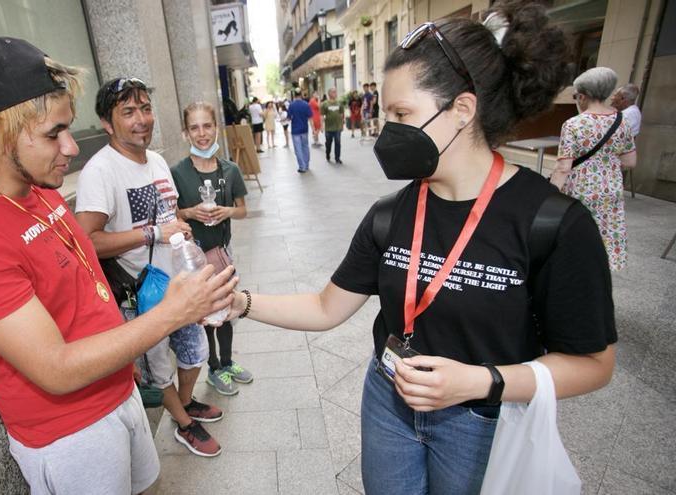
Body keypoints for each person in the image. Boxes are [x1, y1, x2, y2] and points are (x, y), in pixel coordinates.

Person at [226, 3, 616, 493]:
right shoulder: (391, 214)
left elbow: (594, 365)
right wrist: (241, 303)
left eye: (402, 114)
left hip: (480, 421)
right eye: (386, 114)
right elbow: (327, 306)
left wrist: (479, 382)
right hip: (387, 401)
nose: (388, 131)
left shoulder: (555, 224)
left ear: (462, 110)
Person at [0, 38, 236, 494]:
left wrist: (126, 365)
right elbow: (55, 367)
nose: (71, 148)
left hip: (119, 391)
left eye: (69, 128)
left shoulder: (41, 190)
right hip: (71, 434)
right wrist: (175, 311)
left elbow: (86, 287)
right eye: (53, 133)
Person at [75, 77, 229, 458]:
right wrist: (153, 233)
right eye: (128, 112)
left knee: (194, 355)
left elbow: (169, 213)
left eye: (145, 108)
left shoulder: (157, 160)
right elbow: (87, 240)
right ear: (107, 123)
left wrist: (183, 227)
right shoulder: (101, 171)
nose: (141, 119)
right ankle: (184, 424)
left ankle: (187, 401)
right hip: (140, 294)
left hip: (178, 283)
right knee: (159, 370)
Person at [171, 101, 254, 396]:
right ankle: (214, 368)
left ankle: (229, 362)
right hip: (194, 259)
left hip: (221, 253)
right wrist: (190, 213)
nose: (202, 133)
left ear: (215, 127)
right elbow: (172, 215)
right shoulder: (178, 173)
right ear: (185, 133)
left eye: (207, 125)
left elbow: (243, 210)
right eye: (194, 127)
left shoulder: (230, 170)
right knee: (206, 314)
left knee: (228, 308)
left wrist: (226, 212)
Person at [550, 67, 636, 271]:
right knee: (603, 235)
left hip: (580, 189)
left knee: (575, 233)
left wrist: (550, 194)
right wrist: (605, 162)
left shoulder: (573, 124)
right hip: (611, 189)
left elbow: (564, 167)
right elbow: (631, 161)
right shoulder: (622, 121)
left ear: (582, 96)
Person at [287, 93, 312, 173]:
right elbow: (310, 116)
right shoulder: (306, 104)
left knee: (298, 149)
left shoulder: (291, 105)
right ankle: (307, 164)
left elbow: (289, 118)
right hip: (304, 129)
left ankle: (302, 167)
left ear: (294, 96)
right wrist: (313, 129)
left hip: (295, 130)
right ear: (301, 95)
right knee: (305, 147)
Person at [321, 87, 345, 164]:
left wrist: (342, 125)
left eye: (335, 92)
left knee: (338, 143)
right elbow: (321, 115)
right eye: (333, 92)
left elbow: (341, 114)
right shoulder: (324, 104)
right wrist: (322, 126)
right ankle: (327, 154)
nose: (335, 93)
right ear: (329, 94)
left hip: (337, 127)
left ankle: (337, 158)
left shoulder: (339, 103)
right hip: (328, 128)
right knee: (328, 143)